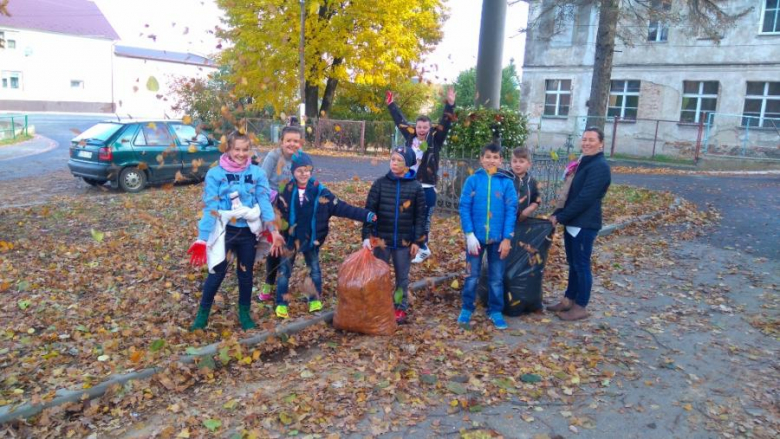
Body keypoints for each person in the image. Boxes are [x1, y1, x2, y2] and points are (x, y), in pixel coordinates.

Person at [187, 131, 283, 331]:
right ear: (229, 149)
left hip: (247, 233)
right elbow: (210, 208)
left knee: (245, 275)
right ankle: (202, 315)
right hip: (225, 233)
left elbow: (264, 202)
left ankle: (244, 314)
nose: (241, 154)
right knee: (216, 274)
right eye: (237, 149)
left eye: (245, 149)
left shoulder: (257, 173)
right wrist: (202, 239)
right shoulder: (215, 174)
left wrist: (273, 230)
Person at [272, 151, 376, 319]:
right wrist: (275, 232)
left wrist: (366, 215)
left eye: (307, 170)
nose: (303, 174)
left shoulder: (320, 192)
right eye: (299, 171)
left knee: (314, 269)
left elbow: (342, 207)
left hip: (311, 239)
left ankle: (314, 298)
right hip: (289, 239)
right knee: (284, 271)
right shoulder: (286, 190)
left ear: (311, 170)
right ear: (293, 172)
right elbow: (276, 213)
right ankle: (281, 302)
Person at [547, 127, 612, 321]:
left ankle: (581, 305)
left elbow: (585, 198)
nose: (586, 143)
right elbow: (570, 193)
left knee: (581, 265)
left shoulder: (599, 166)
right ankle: (569, 299)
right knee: (573, 263)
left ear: (601, 144)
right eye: (584, 139)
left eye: (591, 140)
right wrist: (558, 213)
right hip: (574, 222)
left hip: (585, 224)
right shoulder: (584, 162)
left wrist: (561, 217)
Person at [386, 87, 456, 264]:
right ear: (415, 127)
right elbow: (400, 122)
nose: (422, 130)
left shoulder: (435, 140)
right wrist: (391, 105)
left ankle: (424, 248)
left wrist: (450, 105)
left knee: (423, 219)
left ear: (430, 128)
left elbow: (445, 122)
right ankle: (415, 244)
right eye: (419, 127)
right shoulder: (411, 139)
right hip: (410, 184)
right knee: (409, 217)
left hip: (427, 187)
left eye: (425, 127)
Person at [362, 146, 426, 324]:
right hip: (381, 239)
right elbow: (369, 211)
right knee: (379, 275)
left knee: (401, 277)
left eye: (399, 160)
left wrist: (417, 241)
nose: (394, 163)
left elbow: (420, 217)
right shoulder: (380, 184)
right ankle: (379, 305)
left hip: (404, 243)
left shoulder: (415, 188)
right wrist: (367, 235)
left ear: (408, 165)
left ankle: (399, 307)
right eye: (392, 159)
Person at [457, 144, 518, 330]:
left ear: (501, 160)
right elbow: (464, 207)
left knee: (496, 277)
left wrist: (507, 238)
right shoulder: (472, 181)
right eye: (488, 156)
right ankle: (467, 307)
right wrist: (469, 234)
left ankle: (495, 310)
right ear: (481, 159)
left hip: (499, 238)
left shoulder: (506, 183)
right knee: (472, 274)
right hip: (475, 237)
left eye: (496, 157)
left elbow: (511, 210)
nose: (491, 160)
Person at [258, 126, 303, 302]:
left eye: (296, 141)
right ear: (282, 142)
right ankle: (269, 282)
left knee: (291, 246)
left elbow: (306, 178)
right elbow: (261, 180)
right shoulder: (274, 156)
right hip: (275, 206)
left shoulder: (301, 158)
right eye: (289, 140)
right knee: (275, 245)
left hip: (293, 206)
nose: (292, 144)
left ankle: (283, 282)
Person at [510, 147, 542, 221]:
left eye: (521, 162)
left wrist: (528, 211)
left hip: (523, 220)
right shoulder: (506, 179)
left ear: (529, 164)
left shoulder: (532, 182)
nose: (517, 164)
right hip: (504, 219)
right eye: (514, 161)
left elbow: (537, 199)